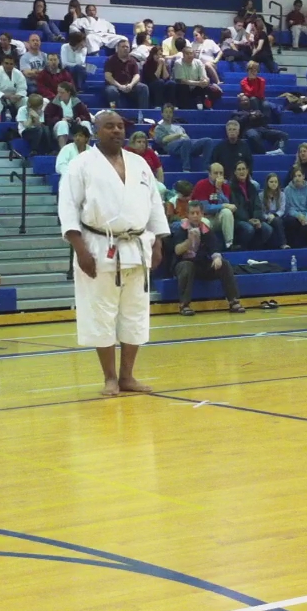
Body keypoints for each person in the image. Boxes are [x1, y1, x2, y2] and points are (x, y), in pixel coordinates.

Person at [58, 110, 168, 396]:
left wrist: (157, 242)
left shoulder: (140, 163)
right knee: (101, 312)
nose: (117, 131)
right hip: (97, 245)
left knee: (134, 312)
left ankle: (127, 376)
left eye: (120, 126)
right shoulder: (81, 165)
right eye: (110, 126)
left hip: (137, 245)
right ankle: (109, 377)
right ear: (97, 131)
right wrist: (79, 249)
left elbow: (154, 205)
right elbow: (68, 208)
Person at [170, 200, 245, 316]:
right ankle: (184, 305)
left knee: (224, 264)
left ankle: (233, 301)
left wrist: (217, 258)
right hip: (183, 264)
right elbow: (177, 250)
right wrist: (189, 241)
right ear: (188, 215)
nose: (195, 216)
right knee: (187, 266)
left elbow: (214, 247)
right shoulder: (181, 229)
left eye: (197, 213)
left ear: (202, 214)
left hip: (201, 264)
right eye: (192, 213)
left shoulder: (206, 230)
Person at [228, 161, 279, 250]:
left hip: (253, 219)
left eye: (243, 169)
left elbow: (258, 205)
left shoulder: (252, 187)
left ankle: (255, 249)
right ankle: (242, 249)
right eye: (239, 169)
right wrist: (248, 220)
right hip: (238, 220)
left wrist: (257, 219)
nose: (242, 171)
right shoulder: (231, 188)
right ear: (235, 172)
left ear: (247, 171)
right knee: (249, 229)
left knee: (268, 229)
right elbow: (236, 208)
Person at [154, 103, 213, 172]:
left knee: (208, 141)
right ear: (162, 114)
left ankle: (206, 168)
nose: (168, 114)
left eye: (170, 112)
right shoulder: (159, 127)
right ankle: (186, 168)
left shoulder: (178, 127)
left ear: (173, 114)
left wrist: (183, 136)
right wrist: (178, 135)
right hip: (171, 146)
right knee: (185, 141)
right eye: (166, 112)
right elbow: (164, 140)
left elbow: (187, 137)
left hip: (186, 145)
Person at [103, 40, 149, 109]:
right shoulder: (110, 60)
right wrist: (120, 86)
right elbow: (108, 76)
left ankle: (143, 113)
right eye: (123, 47)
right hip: (115, 86)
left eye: (127, 47)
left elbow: (137, 75)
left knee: (143, 88)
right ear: (117, 48)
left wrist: (131, 84)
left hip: (129, 86)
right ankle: (114, 111)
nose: (125, 48)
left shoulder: (132, 61)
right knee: (111, 91)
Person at [45, 82, 93, 148]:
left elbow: (87, 117)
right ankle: (62, 150)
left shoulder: (77, 102)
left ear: (69, 92)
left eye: (62, 93)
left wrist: (80, 118)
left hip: (75, 127)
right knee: (62, 123)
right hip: (58, 129)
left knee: (86, 123)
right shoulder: (53, 103)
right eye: (58, 92)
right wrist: (60, 119)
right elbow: (48, 120)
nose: (59, 95)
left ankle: (86, 149)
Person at [282, 165, 307, 248]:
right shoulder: (287, 190)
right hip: (294, 216)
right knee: (291, 223)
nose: (297, 178)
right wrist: (298, 216)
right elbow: (288, 208)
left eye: (299, 176)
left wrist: (305, 218)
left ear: (303, 177)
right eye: (295, 176)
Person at [0, 53, 27, 124]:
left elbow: (22, 89)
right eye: (6, 63)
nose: (8, 66)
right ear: (2, 63)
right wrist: (7, 96)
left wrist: (18, 96)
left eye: (11, 64)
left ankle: (23, 123)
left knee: (26, 100)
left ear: (14, 65)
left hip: (14, 98)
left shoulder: (18, 74)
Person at [173, 43, 212, 110]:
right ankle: (184, 108)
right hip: (183, 87)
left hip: (196, 87)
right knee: (183, 86)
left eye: (191, 53)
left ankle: (204, 107)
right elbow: (182, 80)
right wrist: (198, 83)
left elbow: (204, 77)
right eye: (187, 54)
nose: (190, 55)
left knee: (205, 86)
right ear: (183, 55)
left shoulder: (198, 62)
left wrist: (205, 81)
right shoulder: (178, 63)